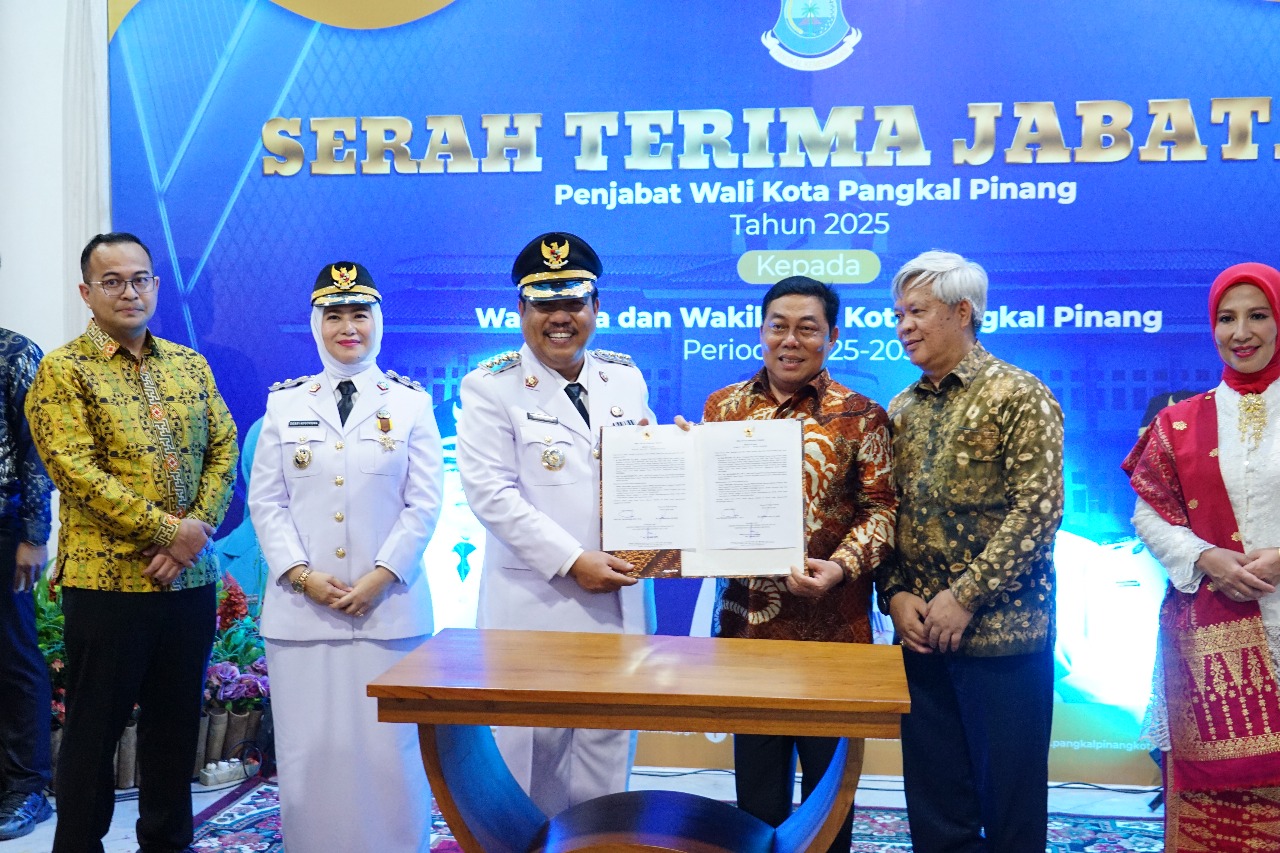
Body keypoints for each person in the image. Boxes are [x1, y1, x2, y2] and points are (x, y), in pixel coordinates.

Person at [25, 232, 238, 853]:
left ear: (157, 286)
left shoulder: (189, 364)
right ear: (86, 292)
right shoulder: (64, 370)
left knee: (175, 730)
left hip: (189, 582)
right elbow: (74, 470)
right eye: (112, 281)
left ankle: (167, 843)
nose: (129, 292)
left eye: (140, 278)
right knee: (95, 733)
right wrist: (172, 531)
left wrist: (193, 533)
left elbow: (224, 447)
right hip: (108, 584)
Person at [456, 231, 655, 816]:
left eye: (573, 302)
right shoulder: (489, 387)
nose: (560, 318)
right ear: (521, 310)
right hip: (535, 602)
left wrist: (678, 459)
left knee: (606, 752)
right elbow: (491, 495)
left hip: (618, 598)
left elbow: (645, 471)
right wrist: (573, 560)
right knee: (529, 757)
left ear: (596, 307)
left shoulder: (625, 378)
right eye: (545, 304)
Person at [249, 261, 442, 853]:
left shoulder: (410, 404)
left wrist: (382, 576)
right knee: (310, 753)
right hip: (302, 612)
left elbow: (425, 502)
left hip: (390, 610)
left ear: (379, 322)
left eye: (360, 314)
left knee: (392, 755)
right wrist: (301, 575)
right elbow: (267, 502)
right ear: (316, 325)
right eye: (335, 316)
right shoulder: (284, 404)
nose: (348, 327)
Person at [877, 250, 1063, 853]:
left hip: (1003, 637)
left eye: (916, 312)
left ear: (962, 313)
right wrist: (894, 594)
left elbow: (1037, 512)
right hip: (922, 639)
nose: (904, 326)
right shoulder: (901, 408)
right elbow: (885, 511)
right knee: (936, 808)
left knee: (1010, 807)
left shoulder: (1020, 394)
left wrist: (965, 597)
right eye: (898, 314)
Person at [702, 275, 895, 852]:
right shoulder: (723, 407)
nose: (790, 340)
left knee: (827, 800)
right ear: (761, 332)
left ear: (832, 336)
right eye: (778, 326)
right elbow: (703, 501)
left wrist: (841, 566)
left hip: (833, 633)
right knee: (756, 797)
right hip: (749, 630)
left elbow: (883, 510)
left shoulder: (862, 415)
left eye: (807, 328)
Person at [1123, 262, 1280, 851]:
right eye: (1226, 318)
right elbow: (1148, 515)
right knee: (1214, 802)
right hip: (1212, 629)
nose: (1241, 332)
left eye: (1257, 315)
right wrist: (1208, 557)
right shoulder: (1179, 423)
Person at [0, 321, 54, 841]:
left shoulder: (13, 351)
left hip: (4, 527)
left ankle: (27, 788)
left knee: (14, 654)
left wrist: (35, 534)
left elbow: (37, 447)